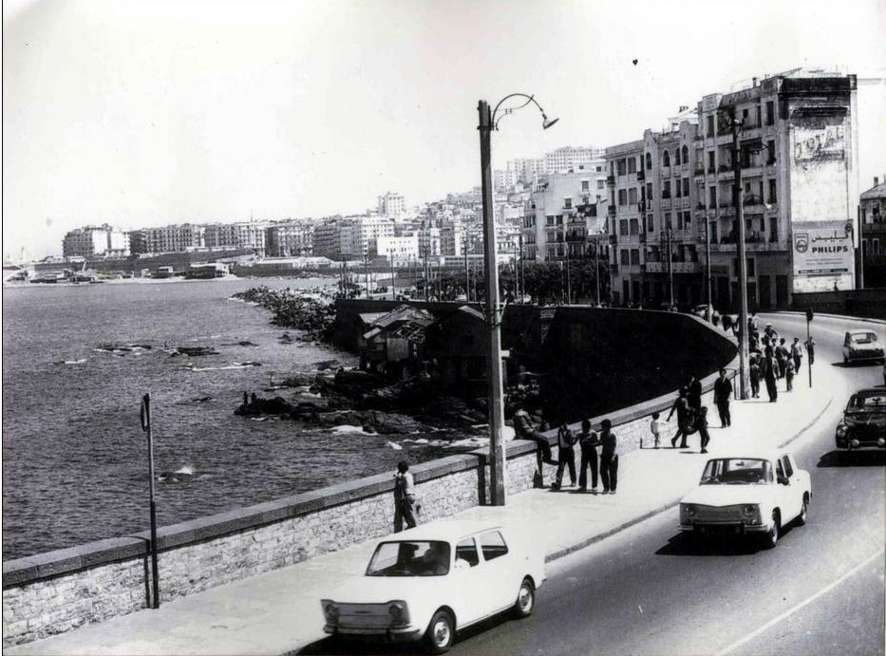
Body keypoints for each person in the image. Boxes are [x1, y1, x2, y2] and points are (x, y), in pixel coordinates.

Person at [513, 408, 558, 475]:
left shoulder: (515, 415)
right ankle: (547, 458)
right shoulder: (523, 413)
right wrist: (535, 427)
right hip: (529, 433)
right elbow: (530, 424)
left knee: (541, 441)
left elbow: (517, 427)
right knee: (545, 439)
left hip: (524, 434)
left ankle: (544, 458)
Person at [393, 461, 419, 532]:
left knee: (410, 514)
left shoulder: (403, 477)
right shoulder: (409, 475)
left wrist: (397, 476)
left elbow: (400, 484)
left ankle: (414, 527)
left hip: (407, 497)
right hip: (412, 495)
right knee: (411, 513)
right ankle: (412, 526)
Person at [578, 419, 600, 492]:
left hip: (592, 452)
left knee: (594, 469)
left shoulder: (593, 433)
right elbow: (578, 442)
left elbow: (597, 442)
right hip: (584, 452)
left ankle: (594, 486)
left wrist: (591, 444)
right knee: (583, 469)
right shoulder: (580, 434)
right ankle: (583, 486)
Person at [553, 421, 577, 489]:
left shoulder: (570, 431)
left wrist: (572, 443)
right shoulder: (559, 431)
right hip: (562, 451)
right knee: (560, 468)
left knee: (571, 467)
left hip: (569, 451)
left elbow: (574, 440)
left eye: (563, 425)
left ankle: (573, 481)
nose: (561, 427)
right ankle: (558, 483)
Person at [599, 419, 618, 494]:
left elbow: (614, 446)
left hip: (612, 455)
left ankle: (613, 489)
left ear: (607, 427)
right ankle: (606, 487)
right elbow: (601, 443)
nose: (602, 427)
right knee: (602, 472)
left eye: (603, 426)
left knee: (612, 473)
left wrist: (613, 456)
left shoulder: (612, 435)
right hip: (604, 455)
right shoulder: (602, 434)